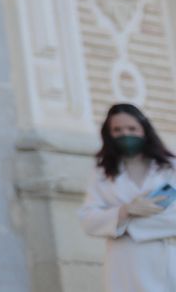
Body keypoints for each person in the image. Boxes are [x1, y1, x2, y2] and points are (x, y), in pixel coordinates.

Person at [79, 102, 176, 289]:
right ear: (109, 134)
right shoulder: (102, 173)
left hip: (167, 258)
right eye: (117, 130)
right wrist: (123, 211)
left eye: (132, 128)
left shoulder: (170, 167)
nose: (125, 134)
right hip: (125, 263)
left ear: (144, 130)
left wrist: (126, 228)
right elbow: (88, 220)